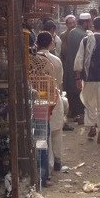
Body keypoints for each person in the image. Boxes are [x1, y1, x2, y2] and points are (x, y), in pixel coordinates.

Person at [74, 16, 100, 144]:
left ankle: (91, 127)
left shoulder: (85, 40)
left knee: (89, 104)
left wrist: (77, 78)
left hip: (88, 78)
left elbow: (79, 59)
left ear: (93, 26)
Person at [36, 31, 66, 172]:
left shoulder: (32, 59)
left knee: (41, 133)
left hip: (37, 100)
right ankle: (58, 161)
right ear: (50, 43)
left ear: (37, 43)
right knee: (56, 131)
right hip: (53, 99)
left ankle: (44, 167)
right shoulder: (56, 60)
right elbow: (59, 82)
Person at [64, 13, 91, 120]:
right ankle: (80, 114)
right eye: (89, 22)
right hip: (79, 68)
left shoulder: (72, 32)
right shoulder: (84, 36)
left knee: (72, 90)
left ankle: (73, 112)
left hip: (70, 65)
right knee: (79, 91)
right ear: (85, 22)